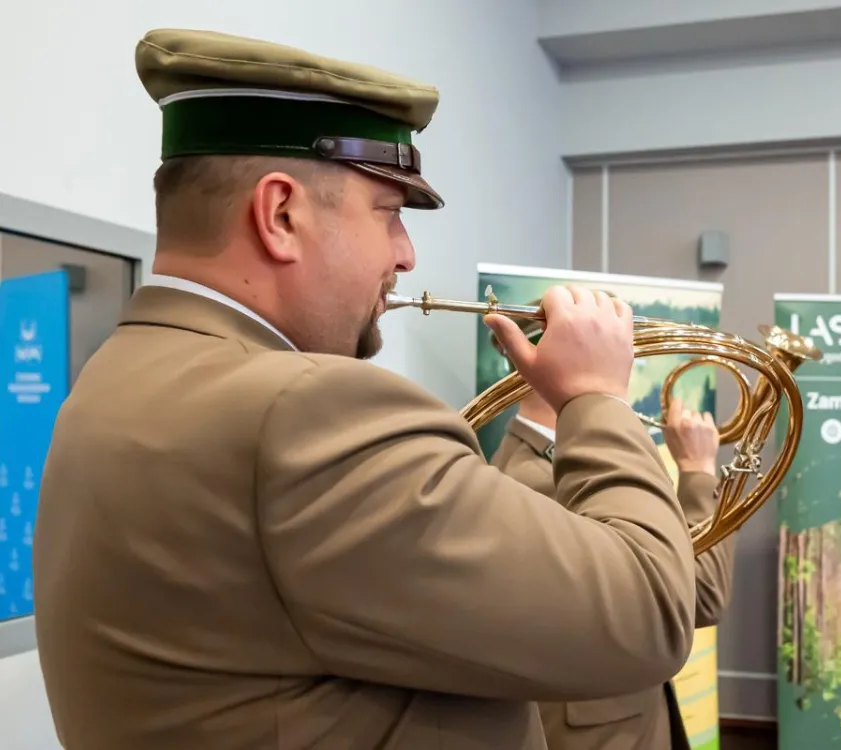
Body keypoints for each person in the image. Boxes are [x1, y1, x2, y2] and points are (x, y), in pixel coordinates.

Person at [32, 29, 701, 750]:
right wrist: (596, 397)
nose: (406, 255)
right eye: (390, 213)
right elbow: (650, 613)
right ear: (281, 215)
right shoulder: (306, 412)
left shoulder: (115, 378)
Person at [490, 311, 735, 750]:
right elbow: (701, 595)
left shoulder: (538, 459)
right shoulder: (537, 478)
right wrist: (697, 472)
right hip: (606, 733)